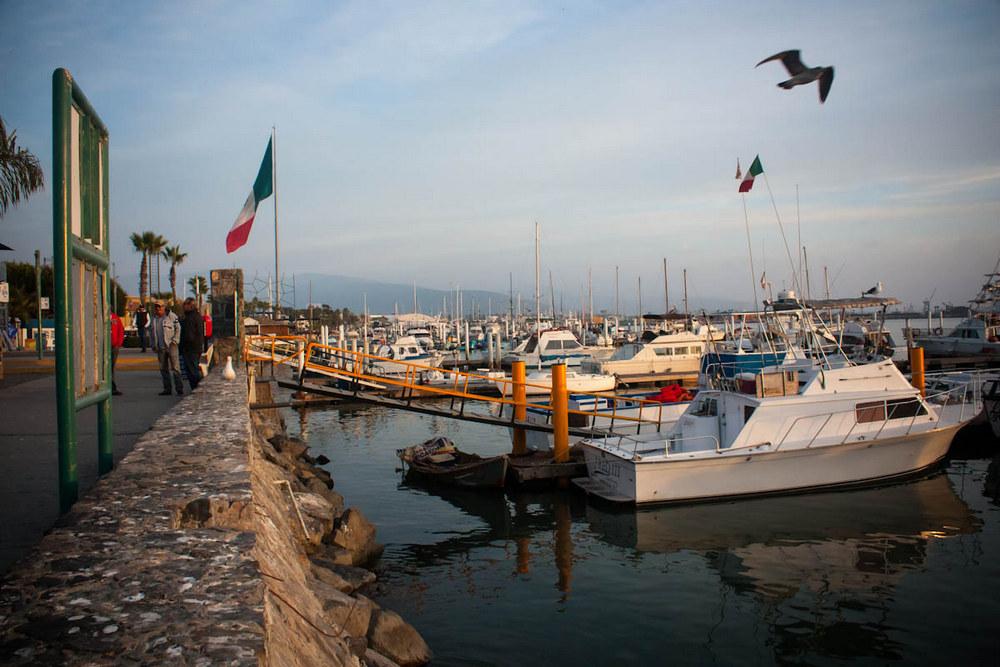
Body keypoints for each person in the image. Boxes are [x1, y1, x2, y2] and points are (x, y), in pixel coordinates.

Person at [150, 300, 183, 396]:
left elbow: (178, 328)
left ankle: (179, 388)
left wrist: (175, 340)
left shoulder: (171, 316)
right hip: (160, 348)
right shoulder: (154, 319)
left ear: (164, 307)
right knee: (163, 369)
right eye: (156, 307)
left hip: (171, 346)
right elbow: (152, 334)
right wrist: (152, 345)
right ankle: (167, 389)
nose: (158, 309)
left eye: (159, 306)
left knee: (175, 368)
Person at [180, 297, 204, 390]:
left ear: (191, 305)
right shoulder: (196, 316)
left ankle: (196, 389)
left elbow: (189, 335)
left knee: (192, 371)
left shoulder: (190, 318)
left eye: (185, 304)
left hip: (190, 349)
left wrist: (183, 344)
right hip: (195, 348)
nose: (183, 306)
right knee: (193, 370)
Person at [110, 310, 124, 395]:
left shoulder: (115, 317)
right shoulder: (101, 317)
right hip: (104, 346)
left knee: (112, 366)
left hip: (114, 346)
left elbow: (121, 330)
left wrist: (119, 343)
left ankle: (113, 386)